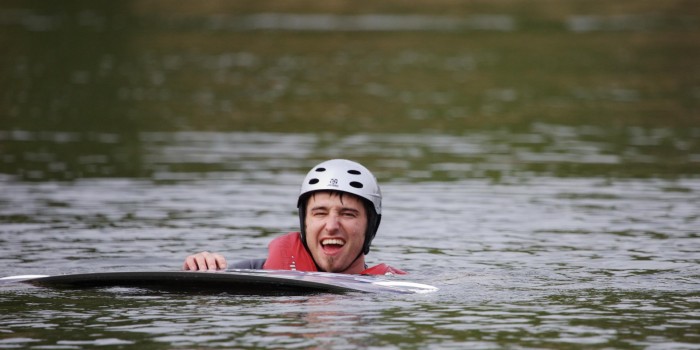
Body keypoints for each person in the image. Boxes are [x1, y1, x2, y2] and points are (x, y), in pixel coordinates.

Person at [183, 159, 406, 275]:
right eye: (319, 213)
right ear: (305, 222)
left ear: (371, 226)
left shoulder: (393, 285)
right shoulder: (254, 272)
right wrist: (202, 266)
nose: (331, 226)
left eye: (348, 214)